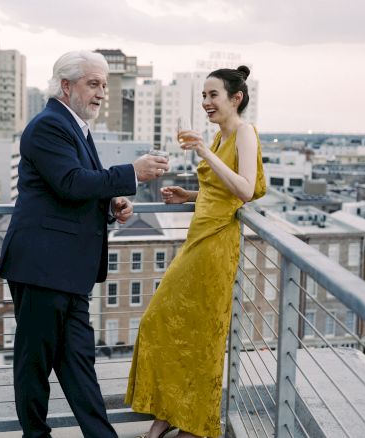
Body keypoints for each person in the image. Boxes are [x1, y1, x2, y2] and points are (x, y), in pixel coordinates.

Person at [0, 50, 170, 438]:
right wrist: (132, 173)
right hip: (42, 268)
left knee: (79, 363)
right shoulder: (47, 126)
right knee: (34, 364)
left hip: (70, 273)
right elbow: (70, 182)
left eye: (105, 85)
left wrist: (111, 204)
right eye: (94, 84)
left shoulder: (77, 127)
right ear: (66, 85)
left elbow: (76, 192)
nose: (102, 93)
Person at [125, 66, 266, 438]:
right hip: (200, 237)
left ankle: (193, 419)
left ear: (236, 98)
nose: (206, 102)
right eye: (203, 96)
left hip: (218, 243)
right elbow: (220, 192)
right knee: (163, 323)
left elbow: (245, 190)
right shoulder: (221, 137)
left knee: (202, 333)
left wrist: (202, 149)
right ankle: (171, 411)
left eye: (213, 95)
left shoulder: (244, 133)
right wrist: (190, 195)